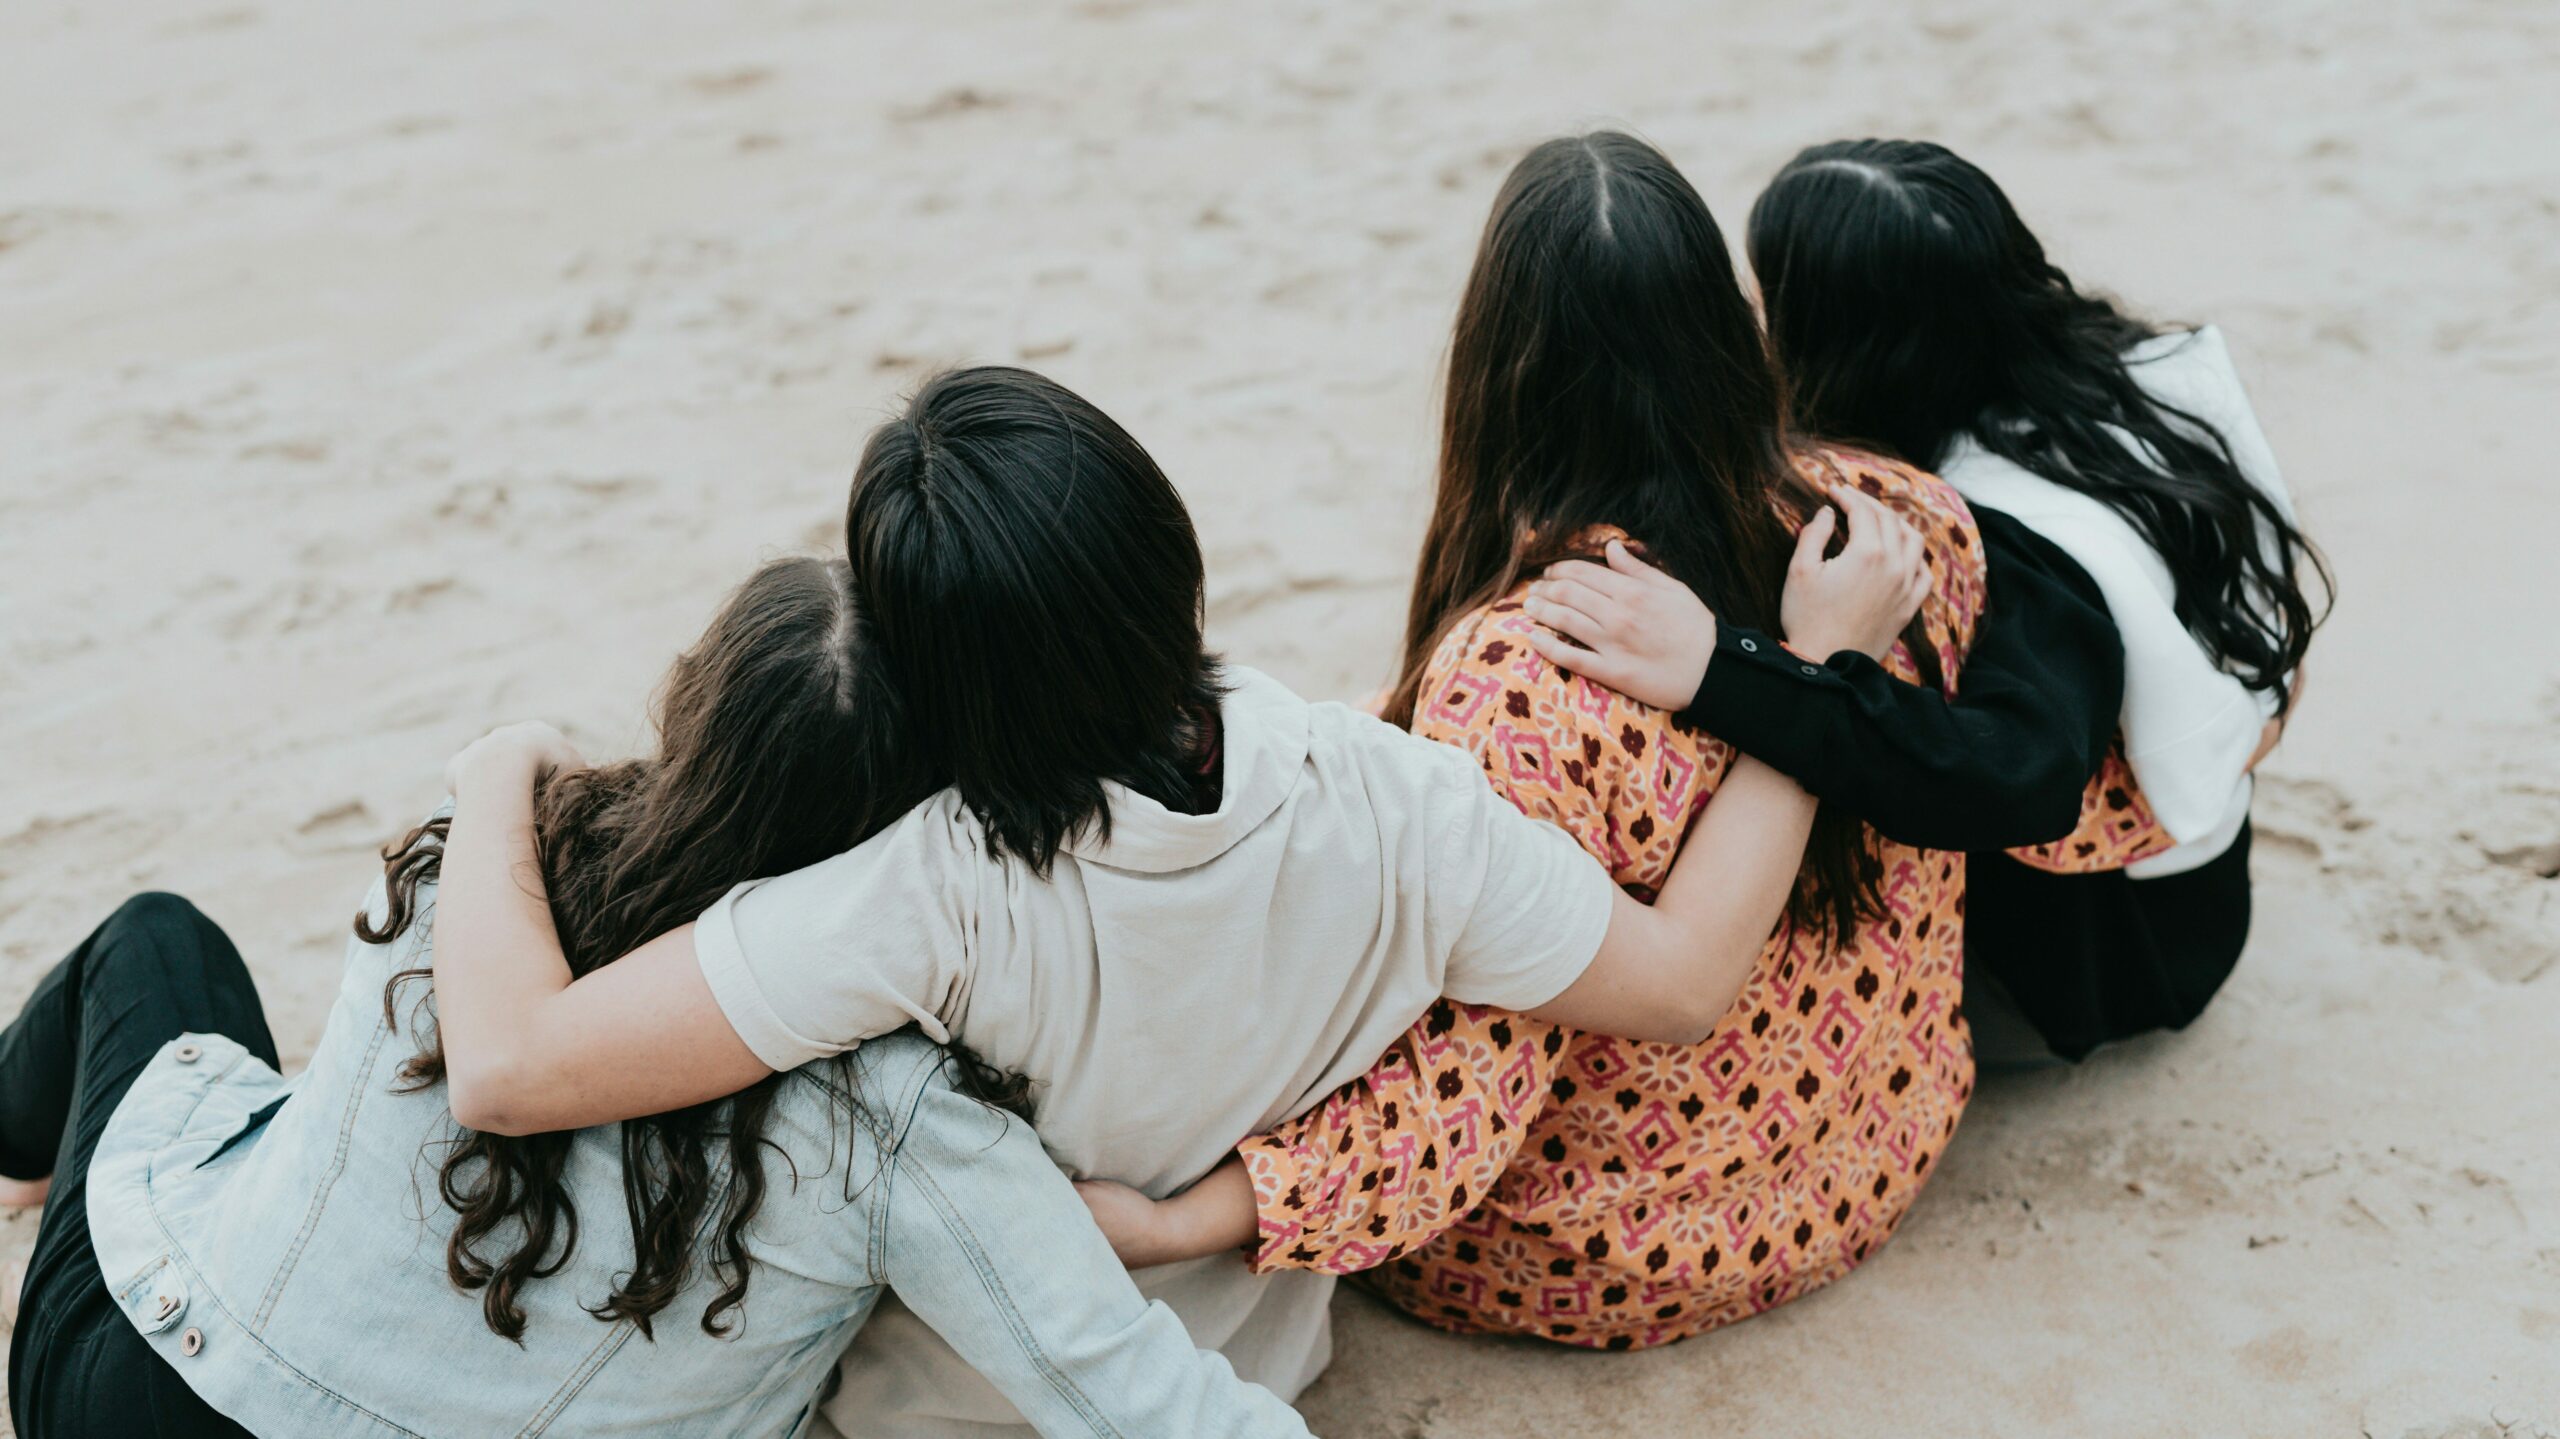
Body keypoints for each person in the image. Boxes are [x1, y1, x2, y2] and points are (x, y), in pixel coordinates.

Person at [415, 364, 1926, 1433]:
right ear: (1169, 557)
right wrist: (1817, 677)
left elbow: (509, 1067)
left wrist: (497, 772)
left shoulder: (926, 893)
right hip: (1245, 1377)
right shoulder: (1395, 802)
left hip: (940, 1411)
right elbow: (1681, 977)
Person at [0, 558, 1316, 1438]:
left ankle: (18, 1155)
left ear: (697, 707)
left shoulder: (476, 863)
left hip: (123, 1393)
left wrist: (502, 767)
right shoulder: (905, 1113)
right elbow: (1141, 1395)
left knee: (157, 941)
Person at [1077, 131, 2019, 1351]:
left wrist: (1186, 1220)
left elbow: (1467, 1082)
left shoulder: (1526, 690)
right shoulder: (1887, 529)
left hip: (1616, 1246)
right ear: (1732, 329)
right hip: (1878, 1135)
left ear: (1494, 368)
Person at [1745, 137, 2330, 1058]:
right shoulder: (2149, 371)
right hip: (2208, 873)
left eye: (1772, 296)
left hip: (2116, 957)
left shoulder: (2000, 535)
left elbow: (2018, 775)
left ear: (1842, 337)